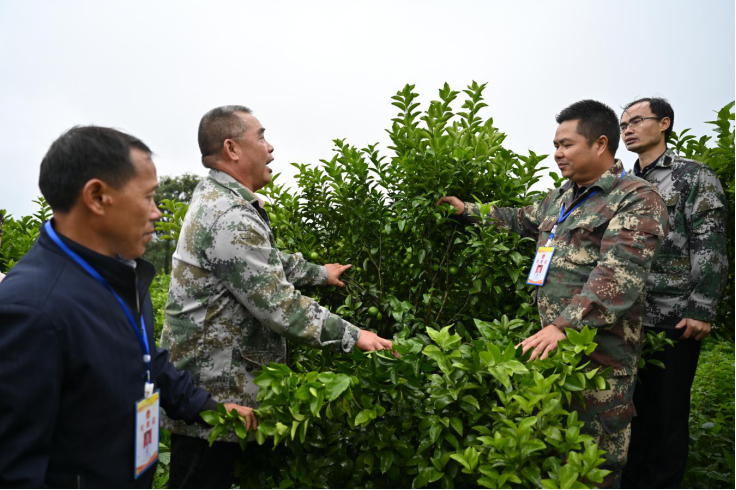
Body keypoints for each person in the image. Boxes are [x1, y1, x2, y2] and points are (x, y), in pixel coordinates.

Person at [0, 126, 254, 488]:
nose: (157, 213)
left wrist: (212, 410)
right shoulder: (32, 310)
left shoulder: (120, 276)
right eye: (149, 197)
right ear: (98, 197)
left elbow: (147, 358)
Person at [437, 100, 668, 488]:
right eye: (555, 145)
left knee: (596, 464)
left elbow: (620, 273)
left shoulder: (635, 197)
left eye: (566, 144)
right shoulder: (562, 197)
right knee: (556, 456)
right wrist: (467, 211)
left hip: (600, 359)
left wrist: (564, 325)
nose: (557, 153)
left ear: (600, 143)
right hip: (553, 349)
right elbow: (519, 218)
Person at [160, 105, 394, 488]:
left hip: (216, 390)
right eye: (261, 137)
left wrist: (319, 273)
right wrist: (357, 337)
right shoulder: (229, 215)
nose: (270, 149)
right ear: (232, 149)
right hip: (214, 397)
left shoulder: (219, 197)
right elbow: (279, 305)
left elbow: (256, 261)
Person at [619, 98, 728, 488]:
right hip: (626, 319)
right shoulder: (622, 182)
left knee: (667, 416)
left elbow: (710, 244)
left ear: (664, 123)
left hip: (674, 316)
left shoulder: (692, 175)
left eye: (636, 121)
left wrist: (702, 307)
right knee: (631, 413)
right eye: (623, 124)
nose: (627, 129)